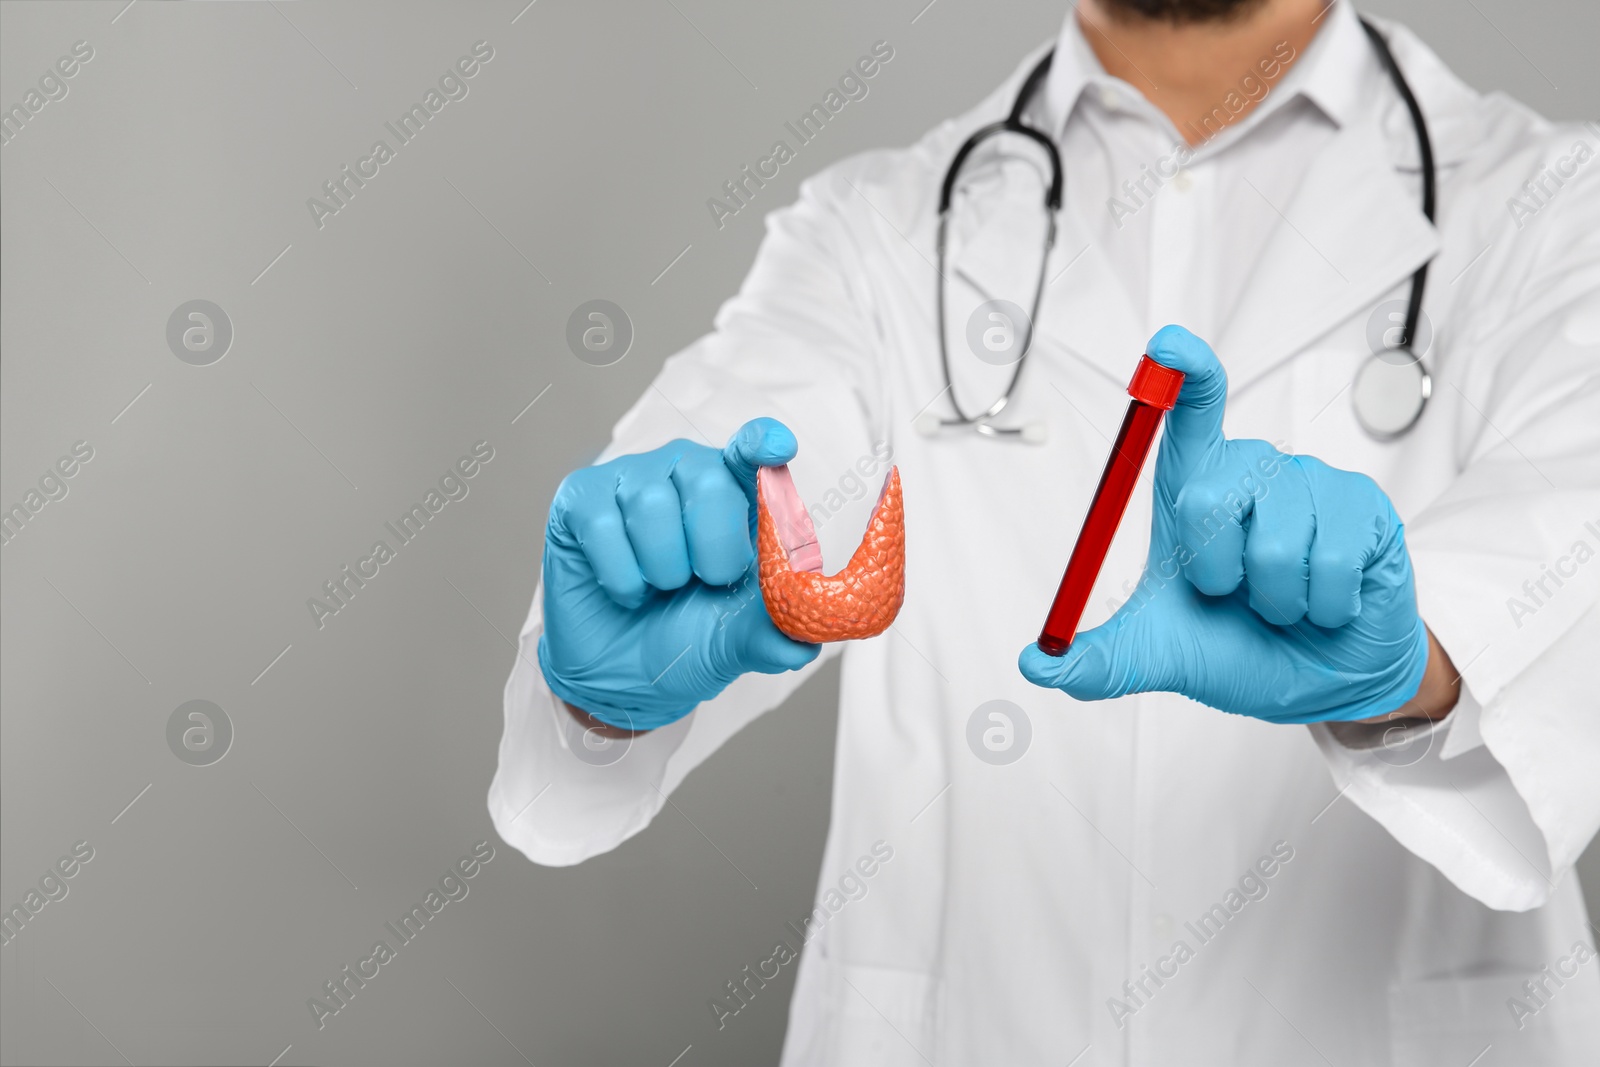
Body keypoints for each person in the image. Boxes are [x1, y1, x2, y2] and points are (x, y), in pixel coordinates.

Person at [489, 0, 1600, 1061]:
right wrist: (608, 677)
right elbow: (754, 490)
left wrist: (1413, 663)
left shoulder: (1559, 209)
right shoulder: (873, 237)